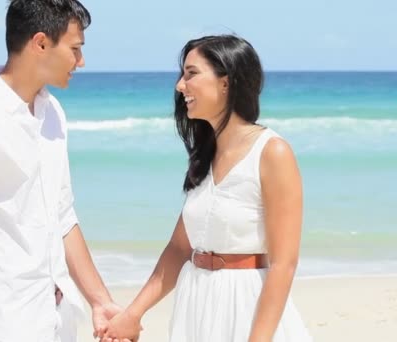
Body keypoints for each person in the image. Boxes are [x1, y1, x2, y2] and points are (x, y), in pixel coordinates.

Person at [0, 1, 131, 341]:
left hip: (55, 319)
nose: (81, 62)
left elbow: (63, 215)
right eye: (75, 49)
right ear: (40, 43)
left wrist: (100, 301)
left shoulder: (52, 112)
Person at [100, 35, 312, 341]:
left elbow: (283, 264)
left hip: (247, 308)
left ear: (225, 83)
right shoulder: (205, 157)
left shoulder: (272, 152)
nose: (180, 86)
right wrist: (132, 315)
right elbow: (179, 249)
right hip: (197, 305)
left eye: (191, 74)